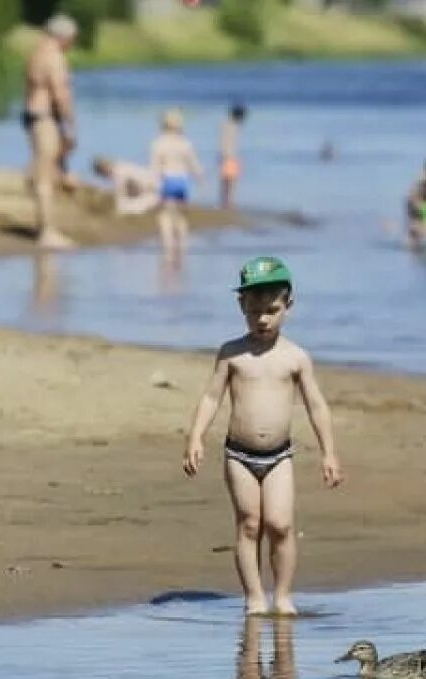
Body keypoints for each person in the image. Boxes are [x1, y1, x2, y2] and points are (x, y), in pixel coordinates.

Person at [182, 256, 344, 616]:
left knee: (281, 524)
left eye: (271, 310)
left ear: (288, 306)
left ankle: (283, 595)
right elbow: (211, 397)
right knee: (250, 524)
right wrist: (195, 438)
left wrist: (328, 453)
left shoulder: (296, 358)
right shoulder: (232, 354)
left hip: (279, 456)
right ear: (241, 306)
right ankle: (254, 597)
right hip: (239, 455)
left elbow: (316, 406)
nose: (262, 319)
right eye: (253, 311)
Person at [23, 14, 79, 250]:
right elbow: (59, 93)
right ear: (63, 37)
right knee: (45, 177)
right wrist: (70, 124)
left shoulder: (35, 54)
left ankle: (45, 227)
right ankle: (47, 233)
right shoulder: (55, 58)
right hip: (46, 117)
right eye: (72, 40)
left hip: (33, 115)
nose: (72, 45)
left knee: (48, 170)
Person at [151, 108, 204, 262]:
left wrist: (153, 184)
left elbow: (155, 166)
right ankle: (182, 245)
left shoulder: (159, 143)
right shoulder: (185, 143)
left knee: (165, 216)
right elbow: (193, 164)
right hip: (182, 181)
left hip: (167, 180)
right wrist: (200, 178)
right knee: (181, 216)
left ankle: (168, 247)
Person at [92, 156, 159, 216]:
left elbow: (121, 192)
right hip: (152, 191)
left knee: (125, 207)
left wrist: (117, 211)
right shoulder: (121, 169)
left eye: (104, 170)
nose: (105, 176)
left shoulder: (120, 170)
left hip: (156, 189)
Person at [219, 103, 247, 209]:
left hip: (226, 155)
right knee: (231, 182)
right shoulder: (233, 126)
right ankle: (229, 202)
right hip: (230, 156)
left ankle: (225, 201)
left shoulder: (226, 124)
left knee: (226, 181)